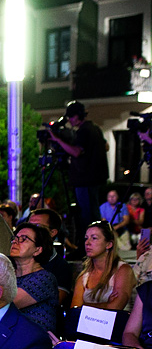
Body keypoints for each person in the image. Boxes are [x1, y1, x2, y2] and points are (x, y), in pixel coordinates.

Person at [48, 101, 108, 248]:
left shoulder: (84, 131)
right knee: (92, 213)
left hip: (85, 179)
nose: (69, 121)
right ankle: (93, 245)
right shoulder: (95, 129)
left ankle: (89, 246)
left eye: (71, 117)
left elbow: (76, 151)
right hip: (93, 178)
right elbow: (106, 146)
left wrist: (57, 140)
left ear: (77, 116)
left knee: (88, 216)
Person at [70, 220, 136, 312]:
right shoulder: (84, 277)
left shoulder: (123, 270)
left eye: (94, 238)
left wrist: (84, 305)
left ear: (109, 244)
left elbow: (116, 307)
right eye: (86, 238)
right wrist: (106, 304)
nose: (87, 243)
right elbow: (75, 309)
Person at [9, 223, 59, 333]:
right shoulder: (8, 275)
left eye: (24, 239)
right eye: (15, 238)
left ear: (37, 250)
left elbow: (5, 303)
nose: (15, 242)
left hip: (34, 342)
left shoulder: (44, 278)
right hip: (11, 338)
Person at [28, 208, 73, 306]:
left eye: (37, 226)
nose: (30, 231)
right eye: (28, 225)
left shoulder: (61, 267)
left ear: (53, 232)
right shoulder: (15, 258)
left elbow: (54, 303)